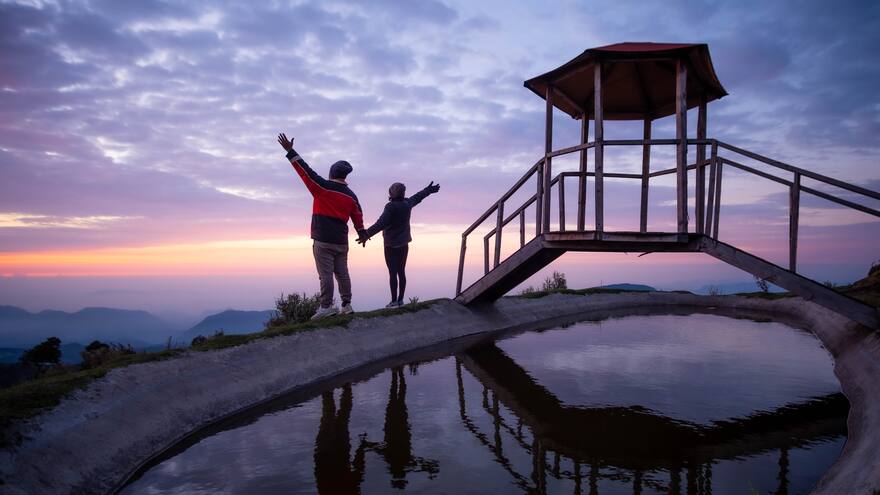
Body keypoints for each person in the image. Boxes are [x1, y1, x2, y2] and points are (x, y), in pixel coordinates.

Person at [277, 132, 366, 319]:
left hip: (323, 239)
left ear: (331, 173)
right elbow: (358, 216)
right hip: (341, 241)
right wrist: (362, 233)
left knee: (325, 274)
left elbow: (305, 171)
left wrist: (291, 151)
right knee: (342, 273)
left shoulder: (322, 187)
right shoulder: (351, 196)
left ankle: (326, 307)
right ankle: (347, 305)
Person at [358, 181, 440, 307]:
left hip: (390, 245)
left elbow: (381, 224)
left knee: (392, 273)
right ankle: (400, 300)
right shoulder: (407, 204)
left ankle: (393, 301)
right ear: (403, 193)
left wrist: (366, 234)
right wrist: (429, 190)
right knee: (401, 271)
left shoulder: (390, 207)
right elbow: (418, 196)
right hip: (403, 244)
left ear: (391, 193)